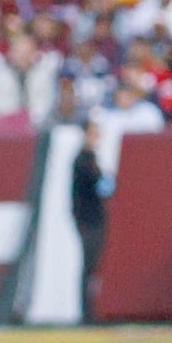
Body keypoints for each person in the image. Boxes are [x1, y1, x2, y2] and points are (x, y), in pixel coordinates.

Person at [69, 133, 108, 321]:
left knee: (92, 268)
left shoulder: (87, 160)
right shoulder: (84, 162)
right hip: (89, 222)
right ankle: (87, 313)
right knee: (89, 267)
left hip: (90, 221)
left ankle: (90, 311)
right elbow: (102, 187)